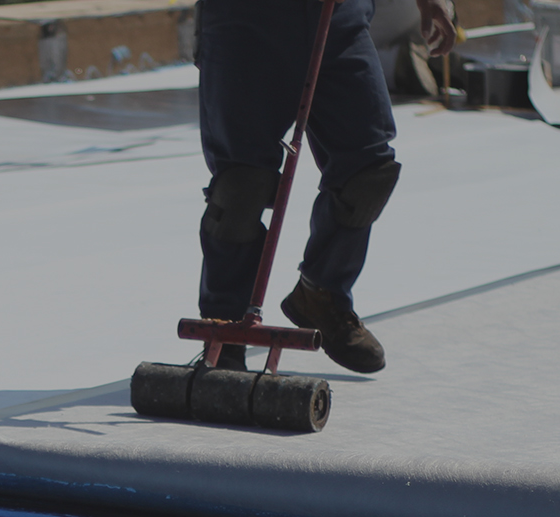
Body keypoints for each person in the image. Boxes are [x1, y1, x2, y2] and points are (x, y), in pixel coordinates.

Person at [193, 0, 455, 374]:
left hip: (337, 17)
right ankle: (223, 326)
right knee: (241, 187)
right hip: (245, 18)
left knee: (368, 170)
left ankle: (320, 295)